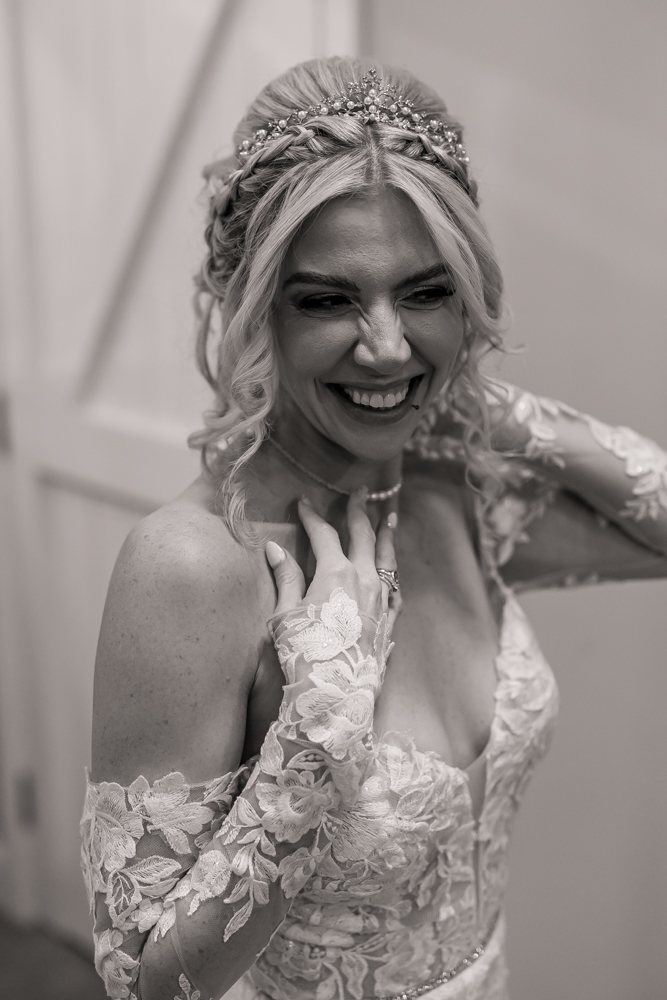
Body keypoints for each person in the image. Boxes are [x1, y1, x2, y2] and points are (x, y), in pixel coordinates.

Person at [80, 57, 667, 1000]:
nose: (387, 344)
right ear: (251, 304)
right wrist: (316, 734)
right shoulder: (191, 568)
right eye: (328, 298)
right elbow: (142, 983)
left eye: (427, 293)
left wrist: (481, 402)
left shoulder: (447, 495)